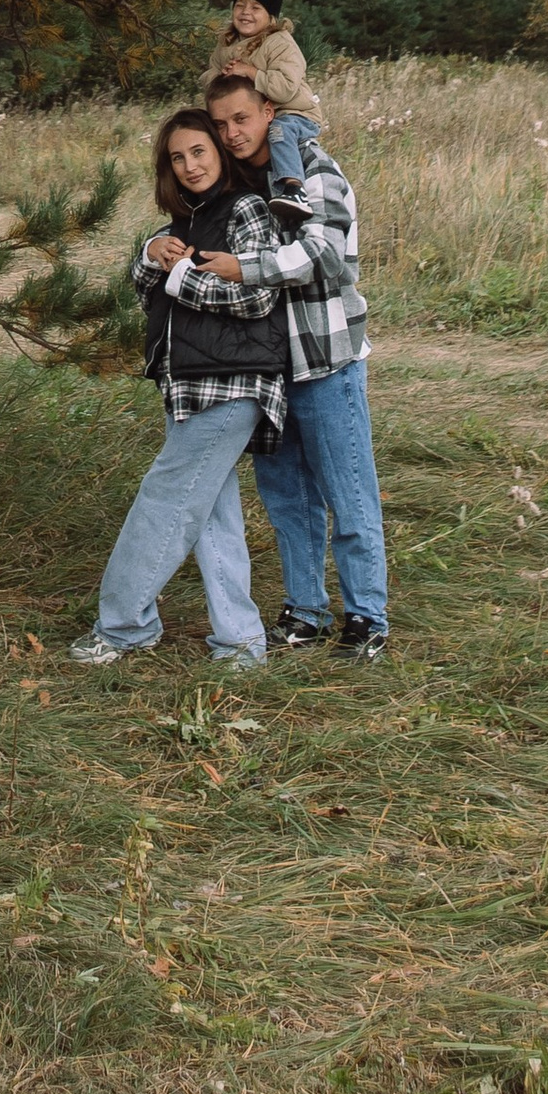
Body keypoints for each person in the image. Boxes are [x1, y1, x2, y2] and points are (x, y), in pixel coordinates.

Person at [70, 110, 287, 674]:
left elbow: (259, 295)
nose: (189, 165)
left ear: (220, 151)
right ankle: (240, 642)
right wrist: (152, 256)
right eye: (177, 157)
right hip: (186, 384)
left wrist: (181, 277)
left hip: (231, 382)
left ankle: (122, 627)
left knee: (164, 499)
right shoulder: (185, 221)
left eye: (199, 151)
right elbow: (151, 294)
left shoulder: (246, 208)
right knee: (211, 514)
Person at [204, 68, 390, 661]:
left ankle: (367, 617)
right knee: (286, 497)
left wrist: (246, 269)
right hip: (267, 369)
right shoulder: (236, 183)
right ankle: (305, 611)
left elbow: (324, 255)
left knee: (348, 493)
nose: (232, 134)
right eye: (220, 125)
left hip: (327, 361)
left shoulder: (314, 172)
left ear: (269, 112)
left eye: (241, 118)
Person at [203, 0, 324, 127]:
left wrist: (249, 72)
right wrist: (221, 77)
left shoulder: (280, 44)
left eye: (255, 8)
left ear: (271, 16)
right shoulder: (227, 41)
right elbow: (209, 75)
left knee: (278, 134)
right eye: (240, 5)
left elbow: (285, 89)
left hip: (291, 114)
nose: (245, 12)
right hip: (250, 117)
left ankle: (304, 144)